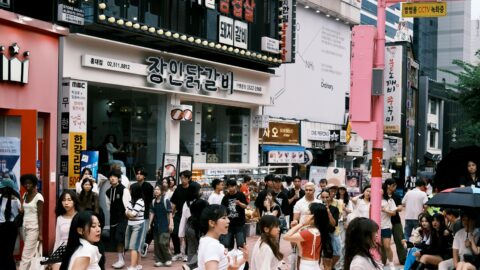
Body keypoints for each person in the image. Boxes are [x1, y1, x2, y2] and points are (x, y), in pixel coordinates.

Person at [197, 204, 248, 270]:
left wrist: (244, 258)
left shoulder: (207, 241)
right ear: (212, 223)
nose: (228, 221)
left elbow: (224, 266)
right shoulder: (212, 246)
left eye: (227, 217)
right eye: (224, 218)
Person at [284, 202, 331, 270]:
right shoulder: (318, 230)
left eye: (307, 214)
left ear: (313, 217)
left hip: (307, 265)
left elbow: (286, 237)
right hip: (312, 264)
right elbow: (295, 243)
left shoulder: (310, 232)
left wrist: (301, 224)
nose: (305, 216)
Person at [170, 170, 200, 261]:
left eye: (184, 178)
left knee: (188, 234)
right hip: (179, 213)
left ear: (189, 178)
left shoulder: (193, 188)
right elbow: (174, 203)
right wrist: (172, 214)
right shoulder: (178, 188)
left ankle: (187, 253)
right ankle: (177, 252)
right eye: (181, 178)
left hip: (190, 214)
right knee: (174, 233)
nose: (182, 180)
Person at [106, 170, 131, 269]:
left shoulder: (123, 190)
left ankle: (121, 260)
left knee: (119, 238)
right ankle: (120, 258)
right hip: (113, 218)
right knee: (115, 240)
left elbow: (128, 206)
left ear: (118, 178)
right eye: (110, 177)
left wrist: (128, 218)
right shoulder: (108, 192)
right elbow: (108, 207)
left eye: (114, 177)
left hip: (123, 218)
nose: (112, 178)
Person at [19, 174, 44, 270]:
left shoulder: (39, 197)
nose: (27, 185)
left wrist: (40, 233)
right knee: (30, 253)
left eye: (29, 183)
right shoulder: (25, 195)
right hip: (24, 227)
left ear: (34, 184)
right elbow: (23, 209)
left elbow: (40, 216)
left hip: (34, 228)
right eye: (25, 183)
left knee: (25, 255)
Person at [52, 190, 80, 270]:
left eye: (69, 200)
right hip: (62, 249)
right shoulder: (60, 218)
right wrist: (54, 258)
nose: (66, 203)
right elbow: (57, 240)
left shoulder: (80, 217)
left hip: (76, 249)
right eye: (63, 200)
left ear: (74, 201)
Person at [178, 182, 203, 269]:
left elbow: (183, 218)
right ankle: (191, 265)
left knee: (191, 249)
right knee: (201, 248)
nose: (201, 191)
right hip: (198, 228)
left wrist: (181, 233)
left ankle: (190, 265)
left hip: (189, 227)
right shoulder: (201, 202)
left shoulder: (186, 203)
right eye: (200, 190)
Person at [383, 179, 406, 265]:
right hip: (384, 222)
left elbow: (400, 208)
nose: (395, 187)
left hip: (396, 221)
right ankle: (382, 261)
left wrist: (392, 209)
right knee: (384, 243)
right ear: (388, 185)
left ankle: (403, 259)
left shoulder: (396, 196)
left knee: (400, 240)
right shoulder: (382, 196)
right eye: (394, 185)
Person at [149, 184, 173, 267]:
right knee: (156, 244)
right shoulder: (153, 201)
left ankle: (168, 258)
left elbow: (170, 214)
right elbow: (152, 213)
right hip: (156, 226)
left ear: (162, 191)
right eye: (155, 189)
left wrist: (171, 224)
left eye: (158, 189)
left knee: (163, 243)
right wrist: (149, 224)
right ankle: (159, 260)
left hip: (165, 225)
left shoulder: (166, 201)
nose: (156, 191)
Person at [0, 178, 21, 270]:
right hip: (0, 226)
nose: (1, 189)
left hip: (10, 228)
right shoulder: (0, 197)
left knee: (8, 252)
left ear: (8, 188)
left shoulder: (16, 201)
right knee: (1, 252)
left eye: (3, 188)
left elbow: (18, 216)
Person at [132, 169, 153, 257]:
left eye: (140, 174)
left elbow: (150, 200)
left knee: (145, 230)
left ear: (144, 176)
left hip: (146, 211)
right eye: (137, 174)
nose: (138, 175)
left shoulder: (148, 186)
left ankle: (144, 245)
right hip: (135, 211)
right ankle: (138, 248)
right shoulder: (133, 186)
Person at [221, 179, 248, 250]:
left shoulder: (241, 195)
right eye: (229, 187)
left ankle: (242, 260)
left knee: (241, 244)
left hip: (240, 224)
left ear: (236, 186)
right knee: (228, 244)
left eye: (232, 186)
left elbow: (245, 206)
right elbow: (222, 209)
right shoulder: (225, 197)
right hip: (229, 224)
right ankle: (230, 259)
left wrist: (239, 203)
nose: (231, 188)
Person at [125, 183, 146, 270]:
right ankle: (138, 265)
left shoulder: (140, 201)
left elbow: (132, 214)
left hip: (138, 225)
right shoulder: (132, 201)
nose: (129, 191)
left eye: (130, 189)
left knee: (134, 246)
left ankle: (133, 266)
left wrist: (129, 213)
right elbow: (127, 212)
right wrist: (129, 213)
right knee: (134, 246)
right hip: (130, 224)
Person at [319, 189, 341, 270]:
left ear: (330, 197)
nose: (325, 199)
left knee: (337, 254)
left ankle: (330, 267)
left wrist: (328, 211)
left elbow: (334, 224)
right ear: (320, 197)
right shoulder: (317, 207)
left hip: (331, 234)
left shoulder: (334, 209)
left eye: (327, 197)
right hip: (319, 234)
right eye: (323, 197)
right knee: (321, 256)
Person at [379, 182, 398, 270]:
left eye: (382, 190)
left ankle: (391, 263)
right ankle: (379, 263)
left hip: (386, 226)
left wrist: (385, 210)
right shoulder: (374, 199)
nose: (381, 192)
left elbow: (394, 213)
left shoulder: (390, 200)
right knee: (376, 246)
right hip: (375, 227)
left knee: (387, 245)